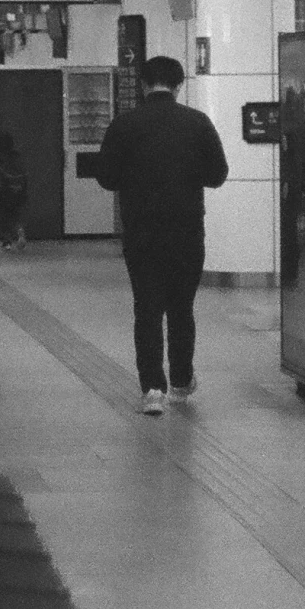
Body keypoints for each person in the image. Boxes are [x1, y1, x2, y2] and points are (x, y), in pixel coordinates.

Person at [93, 55, 228, 415]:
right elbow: (218, 175)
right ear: (179, 85)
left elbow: (105, 177)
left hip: (141, 232)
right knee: (182, 308)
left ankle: (153, 389)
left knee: (147, 308)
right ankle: (182, 382)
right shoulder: (197, 122)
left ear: (142, 84)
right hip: (186, 230)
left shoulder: (124, 124)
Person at [0, 128, 29, 251]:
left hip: (3, 192)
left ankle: (7, 241)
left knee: (3, 216)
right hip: (18, 190)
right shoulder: (16, 155)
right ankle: (20, 232)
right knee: (15, 215)